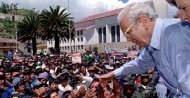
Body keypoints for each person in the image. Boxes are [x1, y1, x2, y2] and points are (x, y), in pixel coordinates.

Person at [99, 1, 190, 97]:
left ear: (144, 21)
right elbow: (139, 64)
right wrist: (112, 74)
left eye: (128, 32)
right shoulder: (153, 43)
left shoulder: (175, 36)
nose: (128, 39)